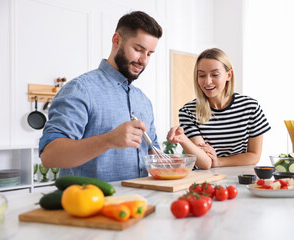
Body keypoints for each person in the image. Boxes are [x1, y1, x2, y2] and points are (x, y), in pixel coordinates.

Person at [39, 11, 163, 182]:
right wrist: (109, 140)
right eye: (138, 49)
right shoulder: (80, 89)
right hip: (89, 205)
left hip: (137, 204)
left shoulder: (143, 101)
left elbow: (152, 150)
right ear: (116, 40)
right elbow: (50, 156)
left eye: (149, 54)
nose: (144, 60)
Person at [167, 48, 270, 170]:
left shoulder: (250, 107)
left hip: (242, 178)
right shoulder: (188, 112)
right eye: (201, 75)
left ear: (229, 75)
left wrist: (219, 161)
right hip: (205, 181)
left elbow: (254, 156)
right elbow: (204, 162)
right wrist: (182, 139)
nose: (207, 81)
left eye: (215, 75)